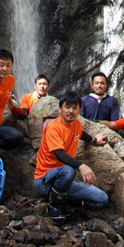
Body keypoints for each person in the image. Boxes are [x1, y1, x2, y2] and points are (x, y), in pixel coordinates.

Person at [34, 91, 109, 221]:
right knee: (69, 170)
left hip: (64, 183)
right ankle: (53, 205)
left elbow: (82, 134)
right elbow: (59, 154)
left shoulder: (76, 125)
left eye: (75, 108)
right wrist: (81, 166)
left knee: (102, 199)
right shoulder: (53, 127)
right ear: (60, 109)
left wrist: (95, 140)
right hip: (43, 181)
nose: (71, 111)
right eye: (67, 107)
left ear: (79, 110)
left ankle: (63, 200)